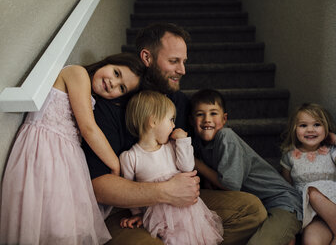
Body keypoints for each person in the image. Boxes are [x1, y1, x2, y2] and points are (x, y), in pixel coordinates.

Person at [83, 23, 267, 245]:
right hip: (127, 212)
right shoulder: (113, 102)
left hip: (182, 204)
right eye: (173, 61)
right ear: (147, 57)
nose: (182, 70)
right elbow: (99, 187)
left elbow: (193, 158)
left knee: (251, 210)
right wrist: (164, 191)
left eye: (183, 62)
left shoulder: (179, 102)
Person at [0, 52, 145, 245]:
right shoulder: (77, 73)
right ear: (107, 62)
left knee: (63, 226)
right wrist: (115, 164)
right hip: (46, 148)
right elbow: (88, 128)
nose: (113, 83)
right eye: (116, 73)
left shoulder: (91, 97)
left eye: (121, 88)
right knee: (46, 221)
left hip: (66, 158)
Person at [190, 88, 303, 245]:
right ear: (191, 120)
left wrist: (196, 163)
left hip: (282, 203)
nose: (207, 119)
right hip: (258, 209)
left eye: (213, 113)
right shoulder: (199, 144)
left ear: (224, 119)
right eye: (200, 114)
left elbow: (231, 185)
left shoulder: (226, 136)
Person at [119, 90, 223, 244]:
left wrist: (183, 141)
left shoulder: (171, 147)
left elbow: (187, 167)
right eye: (171, 119)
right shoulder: (130, 157)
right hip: (159, 217)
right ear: (153, 121)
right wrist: (137, 213)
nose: (174, 125)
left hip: (188, 212)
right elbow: (129, 189)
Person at [280, 103, 336, 245]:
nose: (310, 130)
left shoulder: (330, 151)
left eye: (317, 124)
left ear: (326, 128)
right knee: (312, 241)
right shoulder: (290, 156)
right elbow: (287, 187)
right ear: (294, 129)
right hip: (314, 216)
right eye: (303, 125)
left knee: (313, 192)